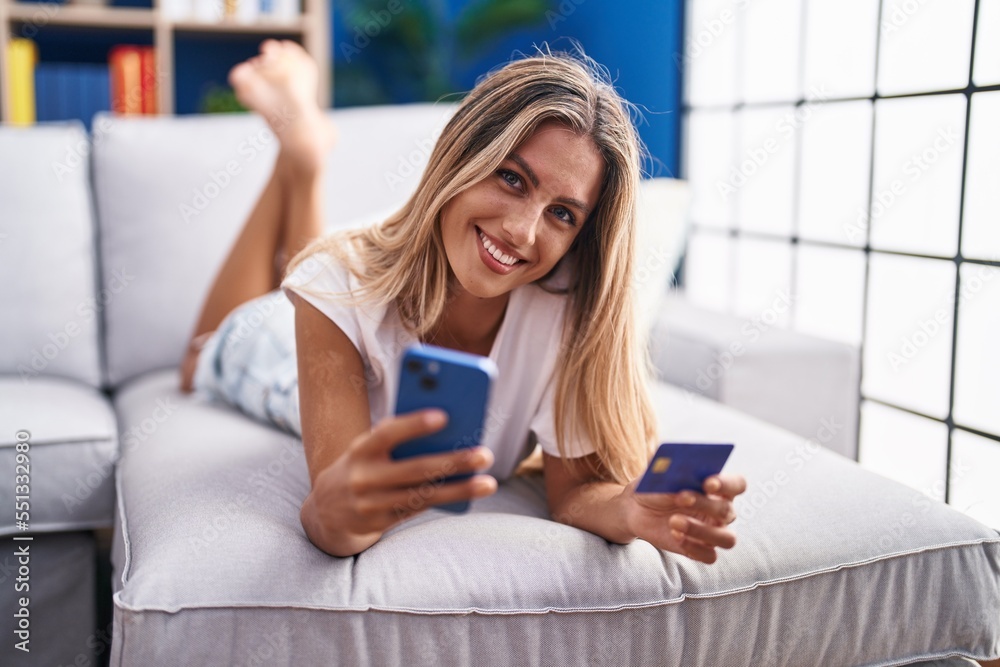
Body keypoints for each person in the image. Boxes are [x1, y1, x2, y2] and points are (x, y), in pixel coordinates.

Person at [178, 39, 747, 560]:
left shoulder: (563, 313)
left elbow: (575, 491)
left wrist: (626, 509)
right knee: (203, 353)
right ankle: (301, 157)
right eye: (513, 179)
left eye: (562, 213)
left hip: (348, 284)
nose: (522, 232)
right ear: (460, 159)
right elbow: (332, 517)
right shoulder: (334, 287)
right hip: (274, 352)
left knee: (329, 275)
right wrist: (339, 510)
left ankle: (304, 157)